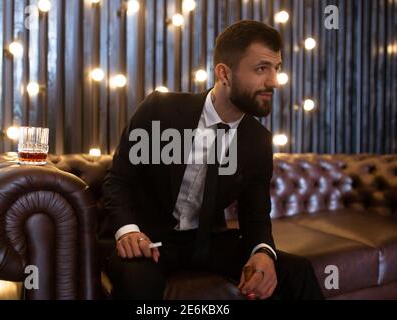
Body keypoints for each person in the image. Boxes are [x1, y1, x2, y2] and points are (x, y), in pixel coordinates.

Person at [101, 20, 324, 300]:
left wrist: (263, 253)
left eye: (276, 68)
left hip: (206, 242)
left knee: (298, 271)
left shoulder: (258, 141)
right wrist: (128, 231)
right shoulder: (159, 109)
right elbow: (118, 180)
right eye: (261, 69)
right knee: (140, 285)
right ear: (224, 74)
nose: (274, 81)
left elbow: (255, 216)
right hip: (147, 238)